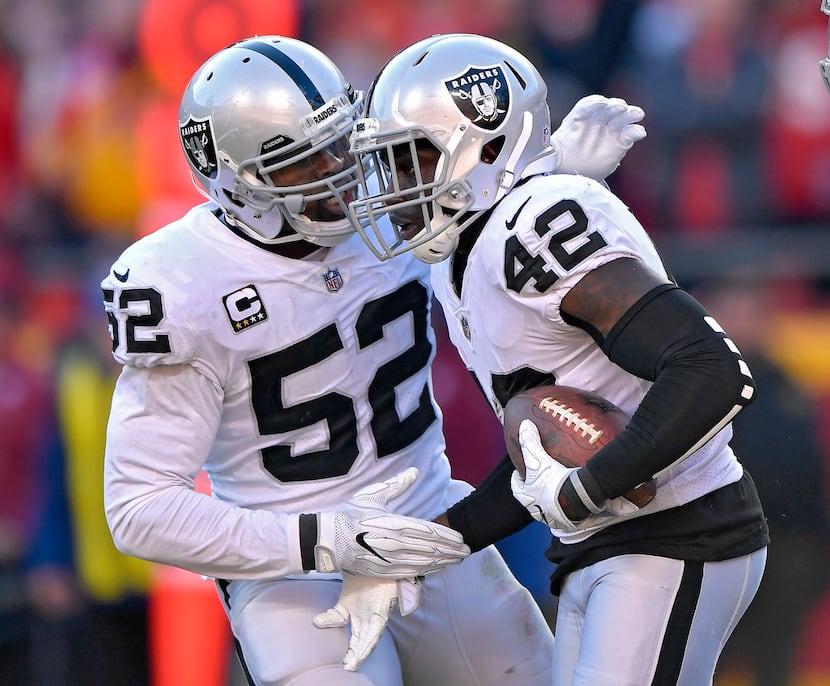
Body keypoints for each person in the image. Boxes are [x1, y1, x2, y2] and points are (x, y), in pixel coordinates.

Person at [101, 35, 646, 685]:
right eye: (302, 165)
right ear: (236, 187)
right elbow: (139, 508)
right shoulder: (181, 281)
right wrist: (326, 538)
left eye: (340, 144)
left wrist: (557, 179)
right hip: (293, 574)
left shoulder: (392, 206)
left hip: (432, 525)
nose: (338, 175)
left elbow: (495, 226)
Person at [346, 33, 770, 685]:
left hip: (675, 534)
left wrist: (582, 492)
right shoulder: (468, 253)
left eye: (414, 160)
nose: (396, 187)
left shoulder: (532, 224)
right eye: (389, 164)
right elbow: (542, 454)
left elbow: (711, 370)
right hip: (605, 545)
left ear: (487, 150)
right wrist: (424, 547)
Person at [695, 273, 830, 686]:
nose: (742, 321)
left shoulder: (785, 383)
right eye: (731, 310)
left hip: (789, 547)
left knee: (776, 661)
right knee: (705, 662)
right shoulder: (692, 385)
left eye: (751, 311)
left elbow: (806, 468)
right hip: (715, 545)